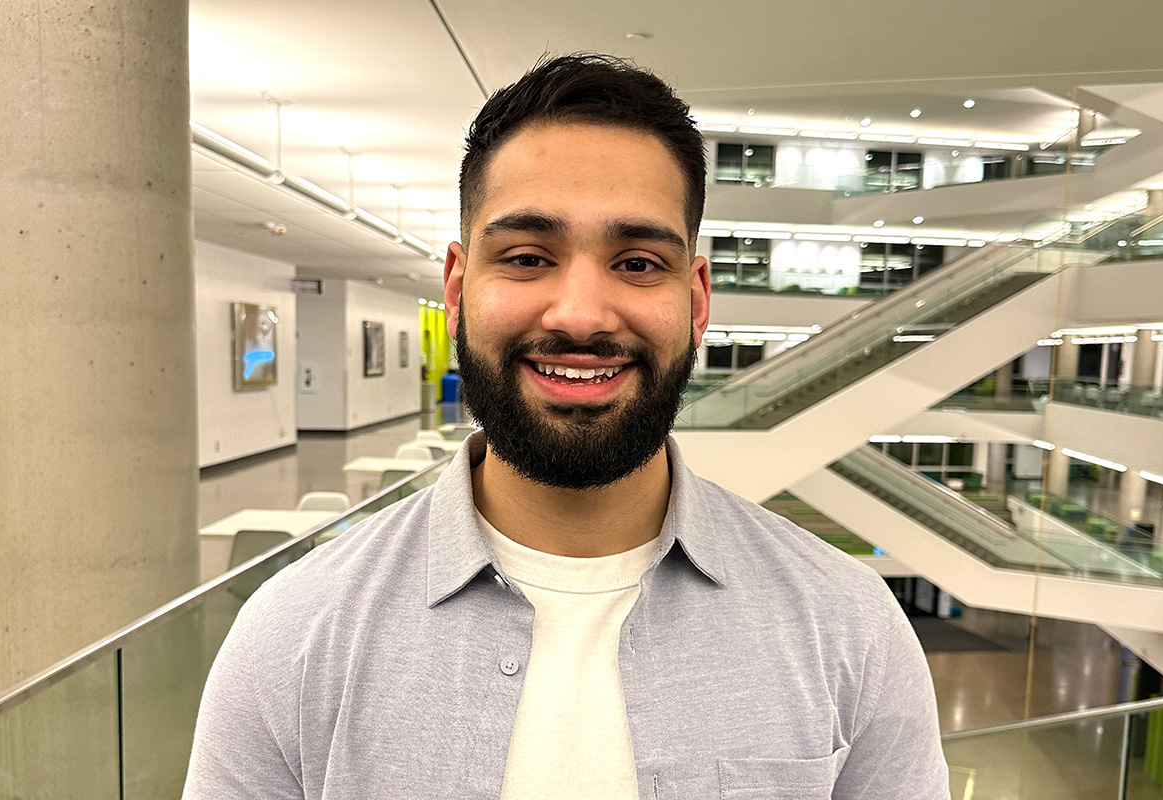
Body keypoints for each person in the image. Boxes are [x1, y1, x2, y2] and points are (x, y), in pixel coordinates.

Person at [184, 54, 949, 799]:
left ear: (698, 298)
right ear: (456, 288)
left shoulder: (848, 629)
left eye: (639, 263)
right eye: (525, 257)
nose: (581, 314)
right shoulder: (293, 636)